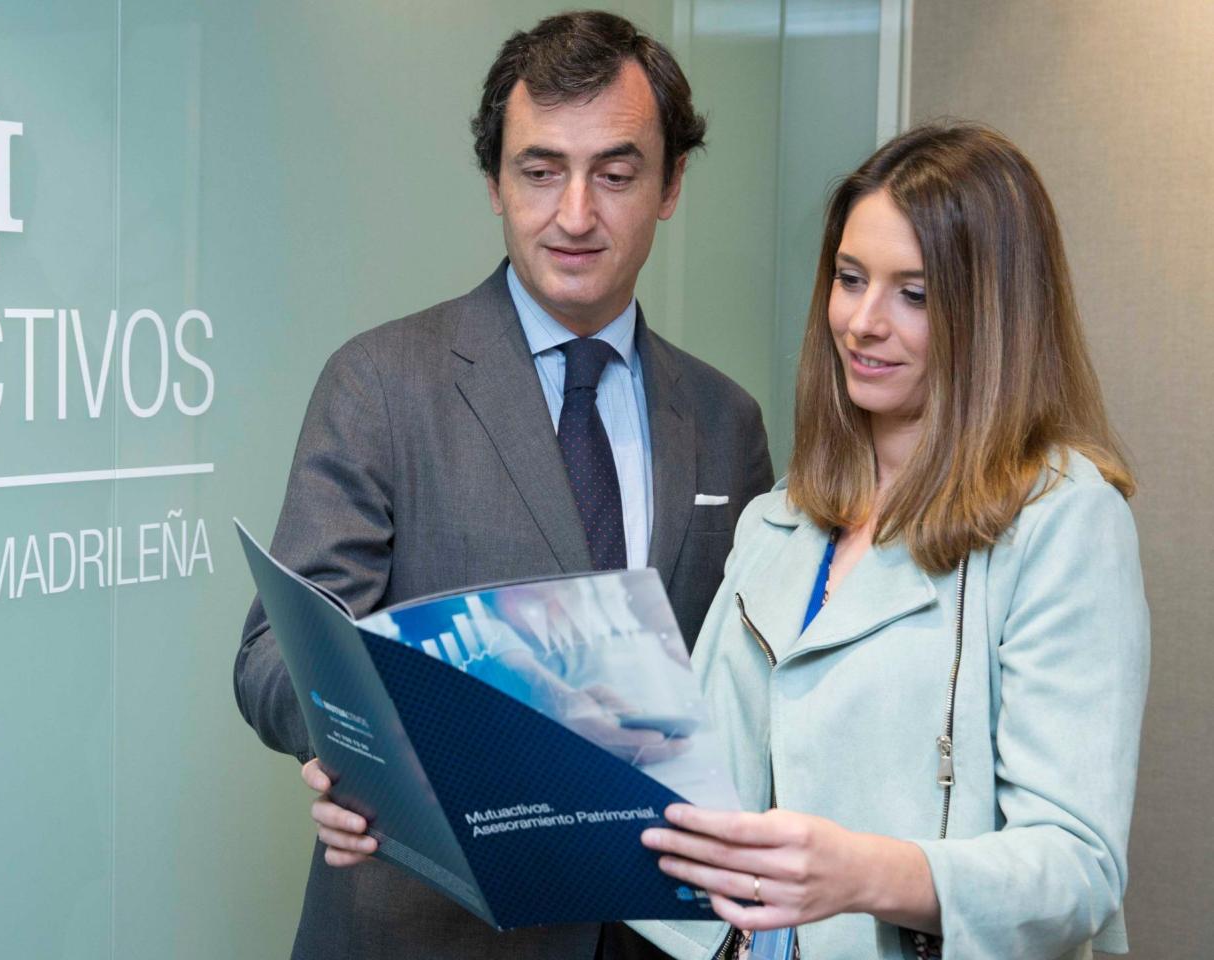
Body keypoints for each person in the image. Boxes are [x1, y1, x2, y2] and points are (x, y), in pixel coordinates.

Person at [233, 11, 773, 960]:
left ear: (672, 184)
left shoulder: (727, 421)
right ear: (494, 183)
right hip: (427, 929)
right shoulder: (380, 383)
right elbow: (275, 653)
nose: (576, 214)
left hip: (654, 935)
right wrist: (358, 737)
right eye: (540, 171)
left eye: (615, 174)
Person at [632, 123, 1149, 960]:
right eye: (850, 279)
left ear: (993, 316)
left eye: (915, 294)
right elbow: (691, 801)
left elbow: (1077, 869)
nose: (862, 323)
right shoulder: (779, 518)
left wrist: (863, 874)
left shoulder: (1062, 521)